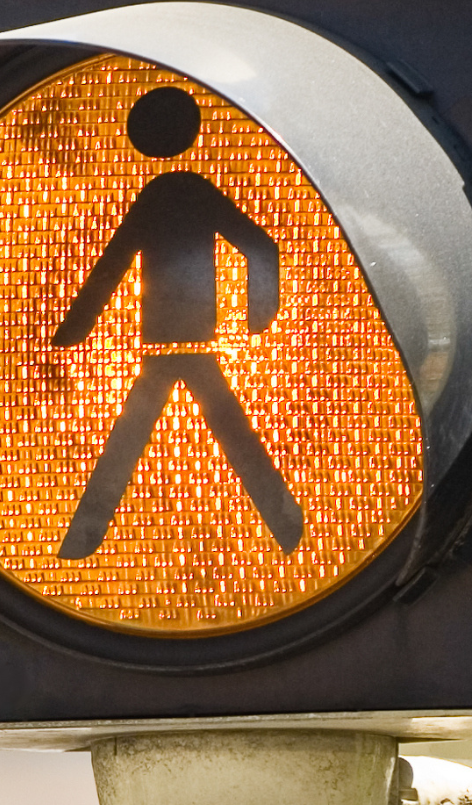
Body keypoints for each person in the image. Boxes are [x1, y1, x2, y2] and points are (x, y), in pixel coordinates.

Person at [52, 85, 301, 559]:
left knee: (138, 438)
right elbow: (118, 261)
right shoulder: (177, 192)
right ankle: (287, 530)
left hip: (178, 346)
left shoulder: (174, 192)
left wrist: (259, 317)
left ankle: (80, 542)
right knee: (204, 432)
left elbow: (114, 264)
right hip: (181, 347)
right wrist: (257, 316)